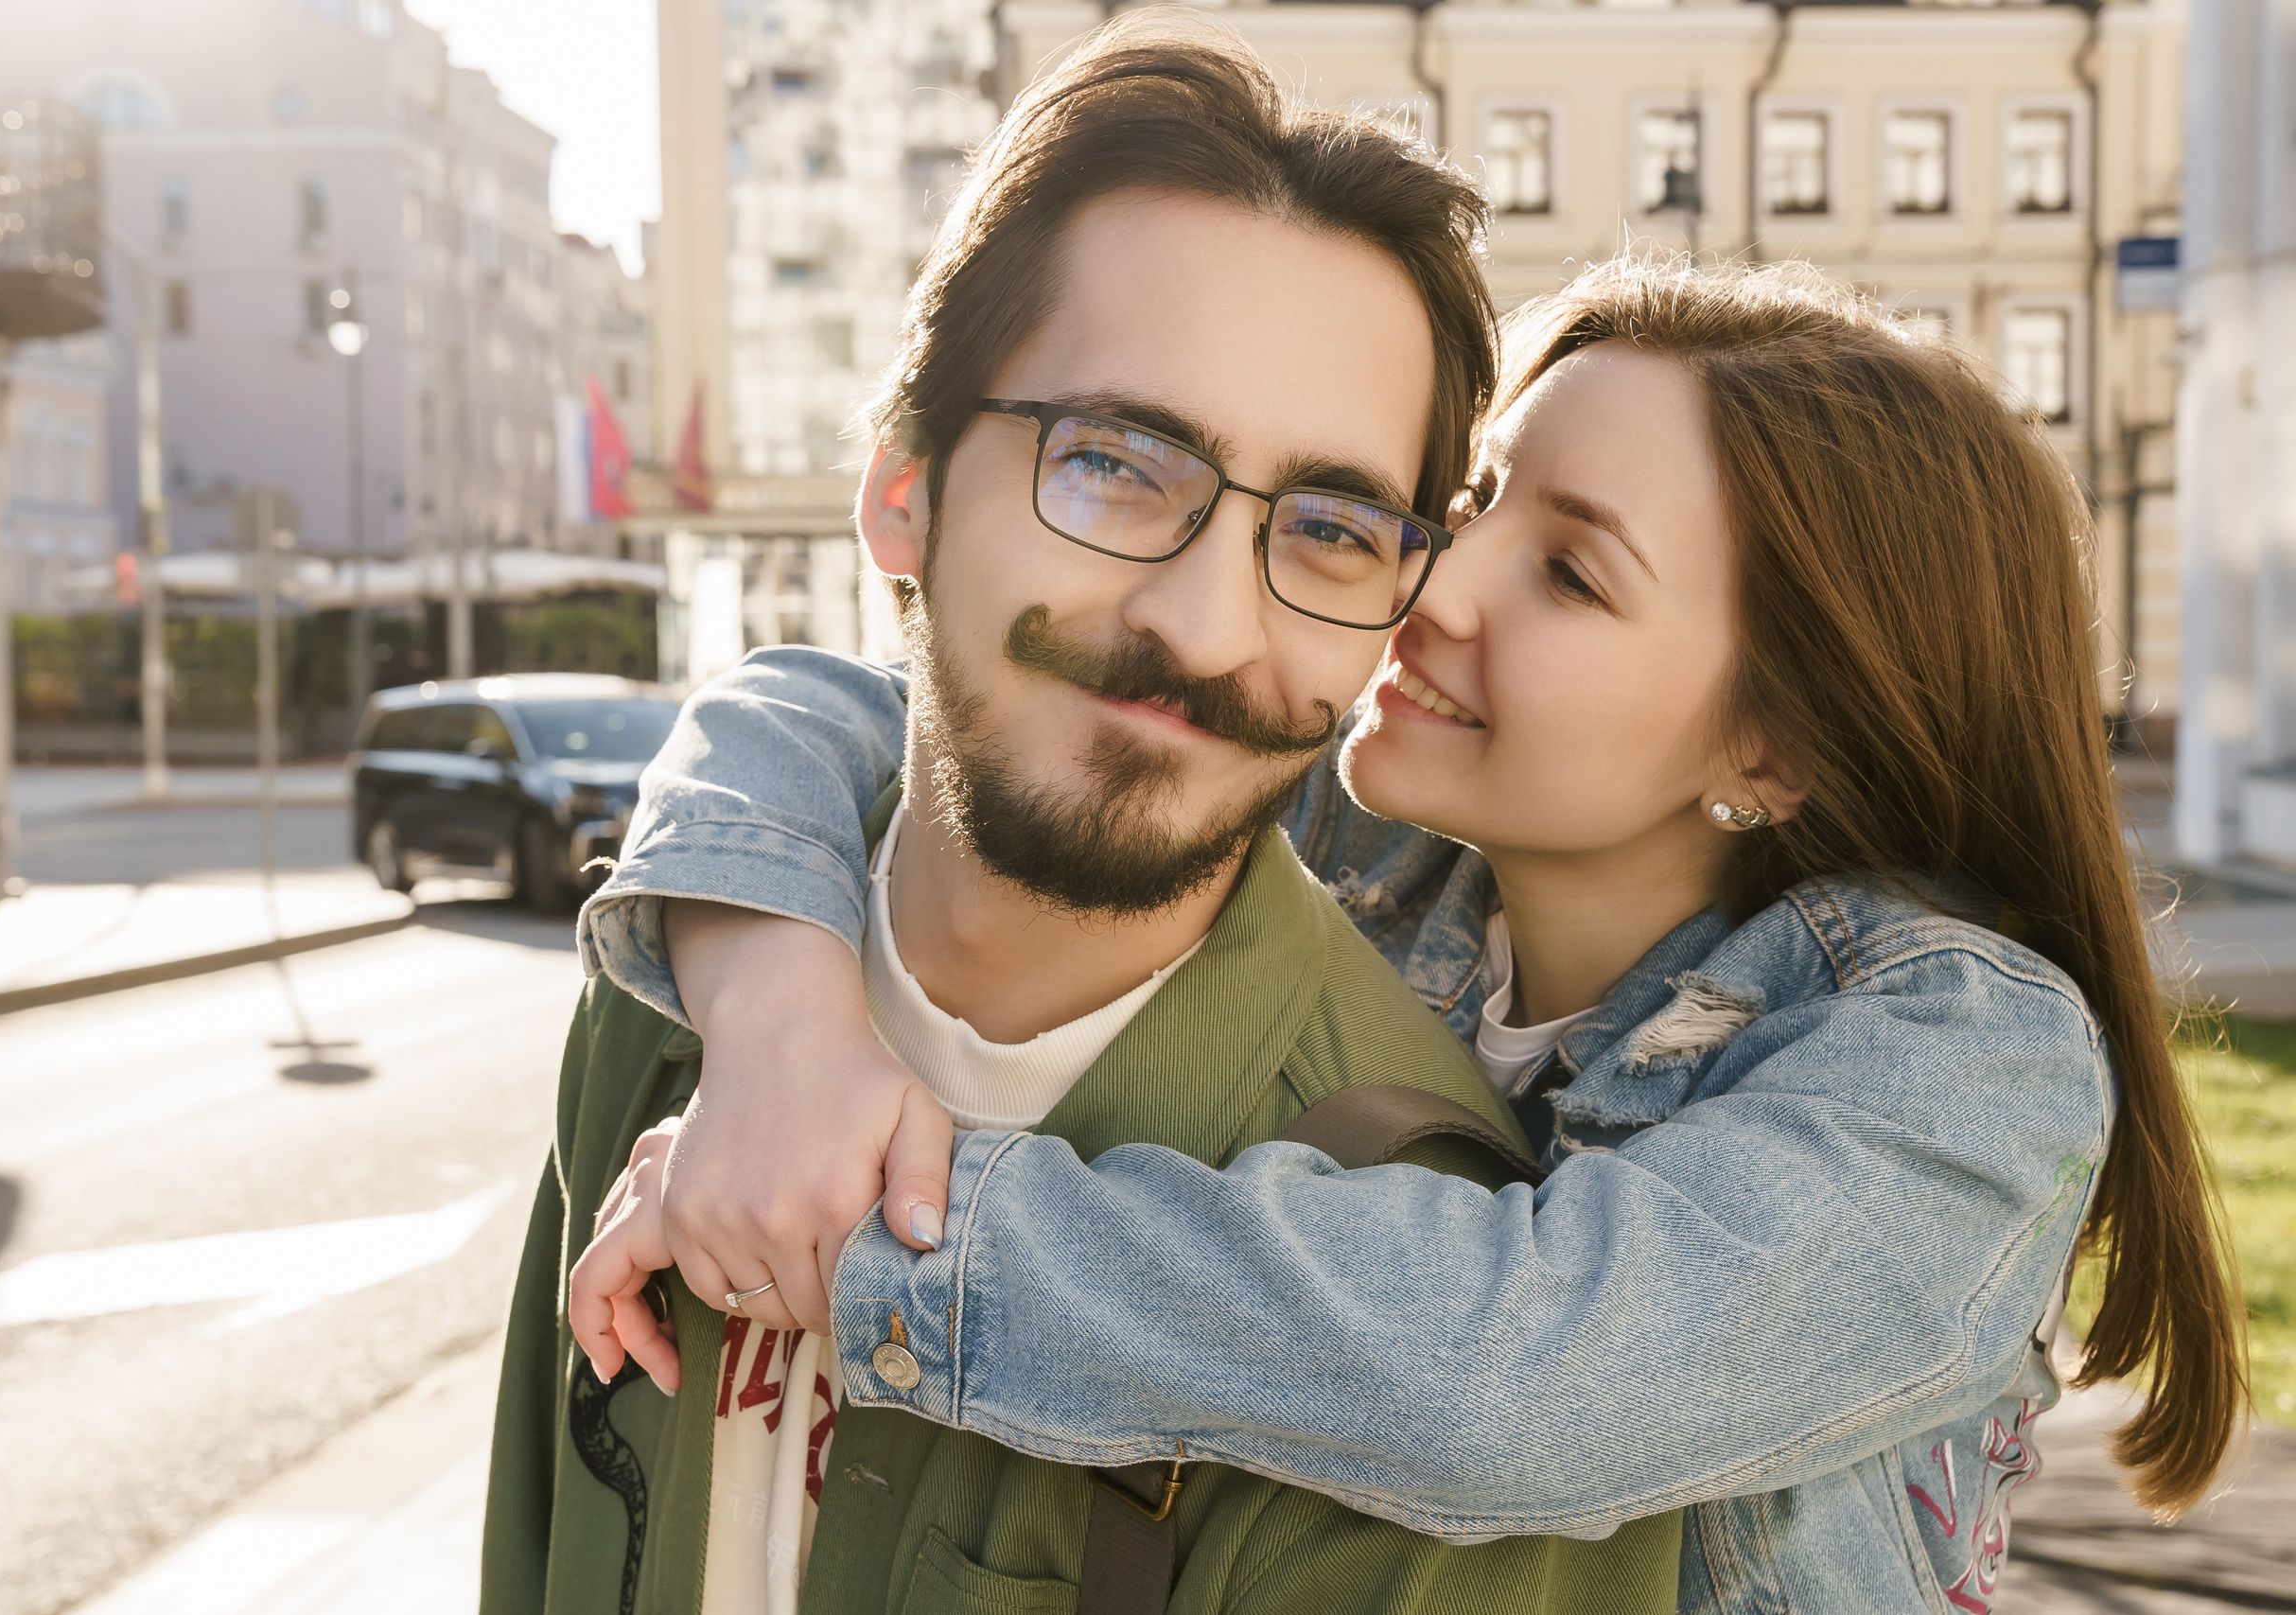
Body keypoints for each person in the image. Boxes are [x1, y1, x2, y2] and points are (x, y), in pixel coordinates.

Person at [573, 255, 2248, 1615]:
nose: (1434, 582)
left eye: (1571, 573)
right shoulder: (1402, 851)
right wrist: (781, 1018)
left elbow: (1514, 1380)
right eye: (1480, 497)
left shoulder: (1964, 1059)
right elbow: (857, 709)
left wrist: (865, 1243)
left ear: (1777, 747)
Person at [480, 16, 1682, 1615]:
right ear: (902, 484)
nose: (1202, 620)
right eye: (1115, 462)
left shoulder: (1404, 1262)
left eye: (1326, 528)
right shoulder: (678, 990)